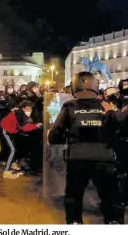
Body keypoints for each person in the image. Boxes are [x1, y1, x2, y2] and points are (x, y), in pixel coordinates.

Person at [48, 71, 125, 224]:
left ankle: (75, 223)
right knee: (110, 197)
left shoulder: (70, 106)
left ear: (74, 87)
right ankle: (113, 223)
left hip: (77, 158)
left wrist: (65, 137)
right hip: (104, 159)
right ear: (95, 86)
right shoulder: (106, 106)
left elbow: (55, 135)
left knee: (74, 197)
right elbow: (118, 129)